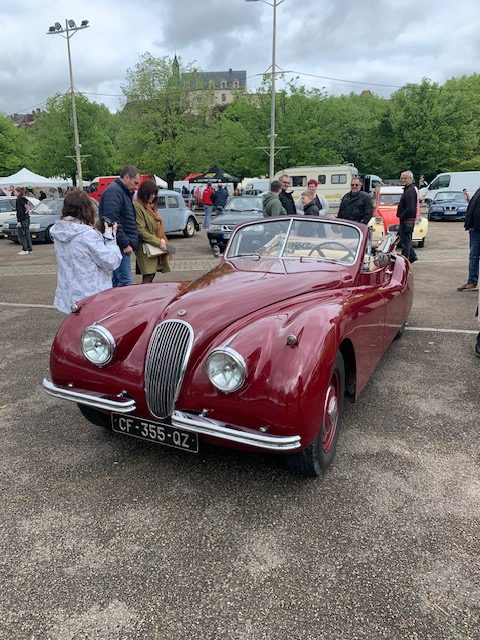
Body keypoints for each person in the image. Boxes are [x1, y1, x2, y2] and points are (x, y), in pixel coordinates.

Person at [50, 188, 122, 313]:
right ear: (87, 208)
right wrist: (110, 238)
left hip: (68, 295)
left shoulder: (58, 231)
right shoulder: (87, 235)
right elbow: (111, 262)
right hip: (91, 296)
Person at [98, 165, 141, 287]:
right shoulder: (115, 192)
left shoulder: (120, 192)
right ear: (126, 177)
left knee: (118, 282)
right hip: (119, 246)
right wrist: (125, 244)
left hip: (119, 244)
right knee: (125, 282)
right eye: (135, 182)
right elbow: (111, 220)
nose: (136, 187)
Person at [134, 180, 171, 284]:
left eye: (155, 193)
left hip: (154, 243)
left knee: (151, 274)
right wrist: (158, 241)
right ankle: (145, 294)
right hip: (146, 246)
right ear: (144, 193)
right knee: (148, 275)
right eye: (151, 193)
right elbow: (140, 230)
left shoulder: (150, 206)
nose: (153, 196)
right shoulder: (138, 206)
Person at [457, 185, 480, 291]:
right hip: (475, 229)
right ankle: (472, 282)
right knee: (473, 256)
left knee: (474, 256)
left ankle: (472, 281)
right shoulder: (478, 191)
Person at [396, 171, 418, 264]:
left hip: (407, 221)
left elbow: (410, 208)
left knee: (405, 242)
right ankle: (412, 256)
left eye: (405, 178)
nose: (403, 180)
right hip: (406, 220)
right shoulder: (408, 190)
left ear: (411, 179)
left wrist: (402, 216)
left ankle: (404, 261)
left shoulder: (410, 191)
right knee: (405, 239)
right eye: (401, 178)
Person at [15, 187, 33, 255]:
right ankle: (30, 249)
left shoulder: (18, 200)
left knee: (21, 234)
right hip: (27, 218)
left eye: (15, 191)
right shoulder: (25, 199)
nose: (14, 193)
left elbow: (19, 211)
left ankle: (25, 249)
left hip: (22, 219)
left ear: (19, 192)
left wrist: (19, 221)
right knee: (27, 234)